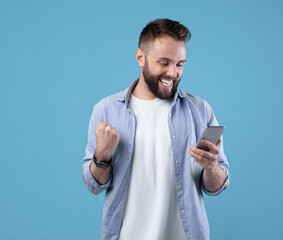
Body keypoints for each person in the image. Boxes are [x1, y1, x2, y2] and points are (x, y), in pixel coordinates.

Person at [83, 18, 229, 240]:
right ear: (140, 58)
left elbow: (216, 187)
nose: (173, 73)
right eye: (164, 63)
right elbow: (94, 184)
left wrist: (211, 167)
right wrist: (102, 155)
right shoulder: (105, 111)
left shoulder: (200, 110)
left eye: (180, 64)